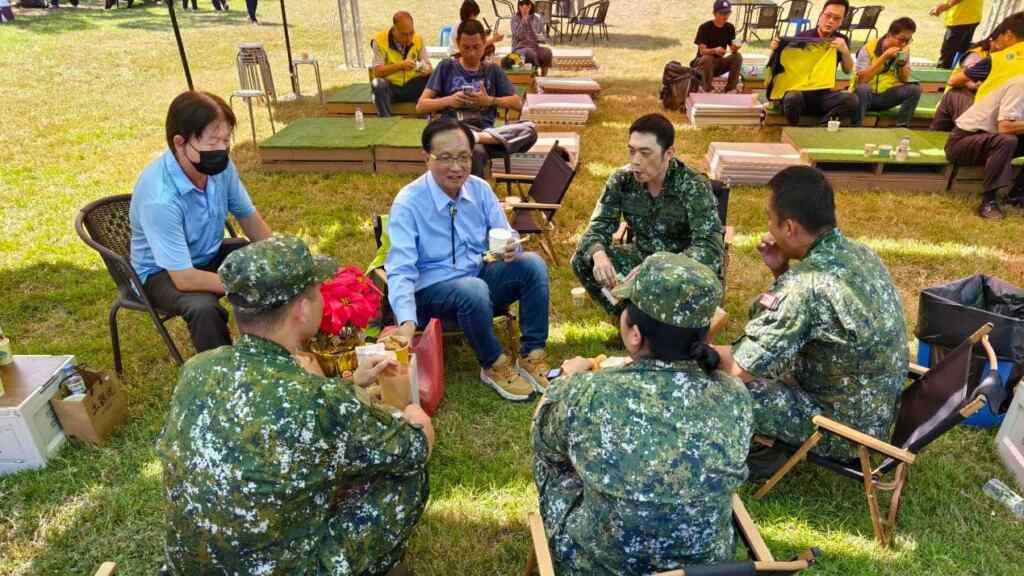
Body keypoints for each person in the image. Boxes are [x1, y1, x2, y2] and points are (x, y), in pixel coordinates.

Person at [158, 235, 434, 576]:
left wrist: (347, 386)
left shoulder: (198, 369)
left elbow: (269, 410)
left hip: (191, 566)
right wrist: (415, 417)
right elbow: (412, 449)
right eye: (318, 290)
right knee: (407, 475)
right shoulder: (316, 400)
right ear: (302, 309)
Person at [533, 253, 753, 575]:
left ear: (635, 335)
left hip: (601, 566)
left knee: (552, 456)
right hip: (707, 566)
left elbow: (542, 437)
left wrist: (565, 381)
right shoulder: (735, 394)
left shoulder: (584, 392)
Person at [713, 166, 907, 473]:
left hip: (843, 431)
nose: (768, 226)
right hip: (875, 413)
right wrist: (780, 271)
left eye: (769, 218)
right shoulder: (860, 253)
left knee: (717, 386)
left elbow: (739, 368)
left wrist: (683, 353)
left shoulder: (806, 286)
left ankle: (754, 451)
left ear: (789, 227)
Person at [384, 120, 551, 402]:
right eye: (446, 158)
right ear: (426, 158)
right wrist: (407, 322)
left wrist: (510, 246)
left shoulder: (480, 189)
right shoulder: (409, 203)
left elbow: (505, 233)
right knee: (472, 289)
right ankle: (493, 364)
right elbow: (400, 270)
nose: (457, 167)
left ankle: (532, 356)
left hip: (477, 282)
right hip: (431, 295)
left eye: (463, 157)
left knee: (532, 265)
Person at [130, 91, 272, 354]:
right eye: (211, 142)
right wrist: (246, 284)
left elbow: (249, 218)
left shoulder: (221, 169)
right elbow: (184, 278)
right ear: (180, 143)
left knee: (262, 261)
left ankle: (268, 349)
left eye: (226, 140)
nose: (220, 149)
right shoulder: (159, 197)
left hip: (206, 253)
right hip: (162, 274)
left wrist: (277, 258)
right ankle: (221, 378)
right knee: (204, 308)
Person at [572, 113, 724, 315]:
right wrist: (598, 254)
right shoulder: (622, 180)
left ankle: (655, 331)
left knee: (663, 280)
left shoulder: (693, 186)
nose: (636, 161)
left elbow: (710, 248)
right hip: (640, 257)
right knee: (583, 259)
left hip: (680, 266)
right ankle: (628, 320)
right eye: (632, 151)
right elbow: (596, 227)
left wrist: (658, 267)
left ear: (668, 153)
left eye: (645, 153)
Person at [418, 19, 524, 177]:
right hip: (452, 130)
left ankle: (477, 140)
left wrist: (490, 101)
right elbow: (421, 106)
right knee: (475, 152)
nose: (471, 53)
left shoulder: (492, 70)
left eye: (477, 47)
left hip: (484, 134)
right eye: (465, 47)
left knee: (528, 129)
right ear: (457, 44)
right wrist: (450, 100)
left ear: (485, 43)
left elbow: (518, 103)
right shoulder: (447, 67)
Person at [944, 14, 1024, 220]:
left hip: (990, 139)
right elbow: (1005, 127)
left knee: (1006, 140)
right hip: (963, 142)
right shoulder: (1019, 82)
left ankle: (1018, 196)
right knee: (1007, 139)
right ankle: (989, 201)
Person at [770, 0, 858, 126]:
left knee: (851, 99)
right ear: (820, 15)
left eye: (836, 18)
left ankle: (821, 126)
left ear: (841, 21)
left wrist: (845, 51)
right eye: (828, 16)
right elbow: (780, 68)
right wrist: (775, 49)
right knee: (792, 97)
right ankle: (795, 129)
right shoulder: (802, 37)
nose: (831, 21)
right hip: (799, 93)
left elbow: (847, 70)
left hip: (823, 96)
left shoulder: (841, 40)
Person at [852, 17, 922, 128]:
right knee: (863, 89)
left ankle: (902, 128)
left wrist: (902, 63)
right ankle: (856, 127)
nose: (904, 44)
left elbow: (904, 79)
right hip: (865, 97)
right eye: (901, 39)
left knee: (914, 89)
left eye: (908, 40)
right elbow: (862, 80)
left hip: (886, 96)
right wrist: (884, 57)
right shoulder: (867, 49)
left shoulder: (904, 49)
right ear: (889, 35)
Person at [931, 28, 1003, 131]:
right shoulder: (977, 54)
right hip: (958, 93)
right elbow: (962, 81)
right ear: (991, 41)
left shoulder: (1001, 57)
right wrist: (975, 86)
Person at [370, 11, 432, 118]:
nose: (409, 38)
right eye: (404, 34)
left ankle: (424, 119)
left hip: (411, 85)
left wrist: (425, 69)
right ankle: (386, 121)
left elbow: (429, 66)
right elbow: (377, 72)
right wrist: (400, 66)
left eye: (411, 33)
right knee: (377, 84)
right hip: (391, 88)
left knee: (433, 77)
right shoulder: (379, 40)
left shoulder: (418, 39)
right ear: (394, 30)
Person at [692, 0, 743, 93]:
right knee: (708, 58)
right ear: (714, 13)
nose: (725, 16)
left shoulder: (729, 27)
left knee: (738, 57)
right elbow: (702, 51)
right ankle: (707, 89)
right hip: (702, 64)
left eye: (728, 13)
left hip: (718, 64)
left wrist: (735, 47)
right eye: (722, 13)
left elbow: (732, 48)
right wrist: (715, 50)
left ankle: (731, 89)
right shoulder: (705, 27)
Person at [931, 0, 984, 69]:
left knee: (947, 57)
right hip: (972, 17)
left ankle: (940, 78)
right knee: (962, 51)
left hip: (961, 19)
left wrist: (947, 5)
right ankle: (953, 73)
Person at [511, 0, 553, 76]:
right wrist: (523, 22)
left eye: (527, 3)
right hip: (519, 48)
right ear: (518, 6)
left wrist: (539, 37)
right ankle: (534, 77)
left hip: (534, 46)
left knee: (547, 52)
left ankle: (543, 78)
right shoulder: (515, 18)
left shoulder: (537, 18)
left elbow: (543, 36)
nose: (524, 6)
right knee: (529, 53)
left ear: (531, 5)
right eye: (521, 4)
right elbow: (517, 35)